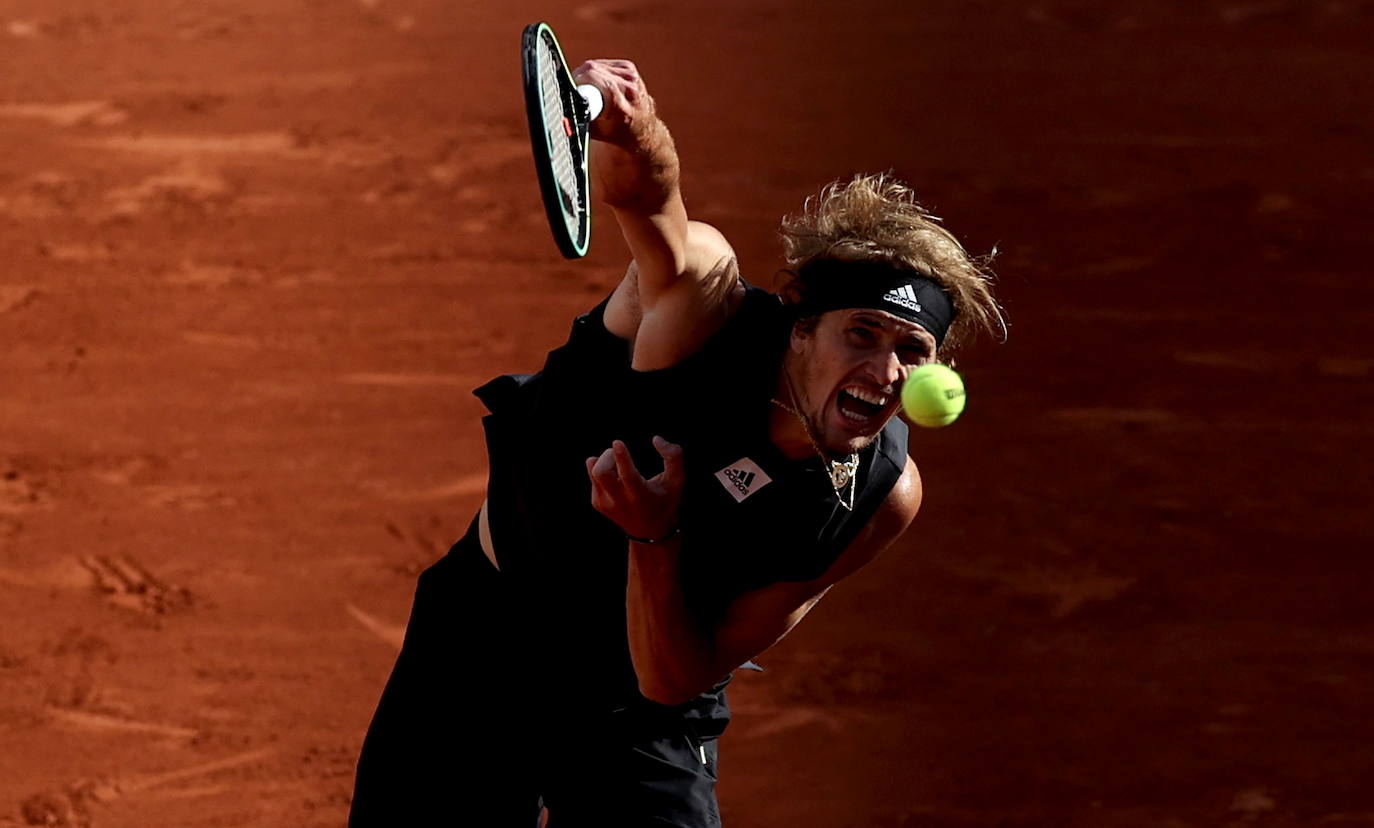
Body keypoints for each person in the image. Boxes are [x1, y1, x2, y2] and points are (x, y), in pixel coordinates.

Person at [349, 58, 1004, 827]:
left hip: (639, 706)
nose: (886, 370)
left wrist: (654, 541)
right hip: (492, 639)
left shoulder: (881, 496)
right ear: (799, 331)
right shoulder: (702, 307)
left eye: (913, 351)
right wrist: (635, 127)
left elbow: (677, 677)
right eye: (860, 333)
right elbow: (656, 208)